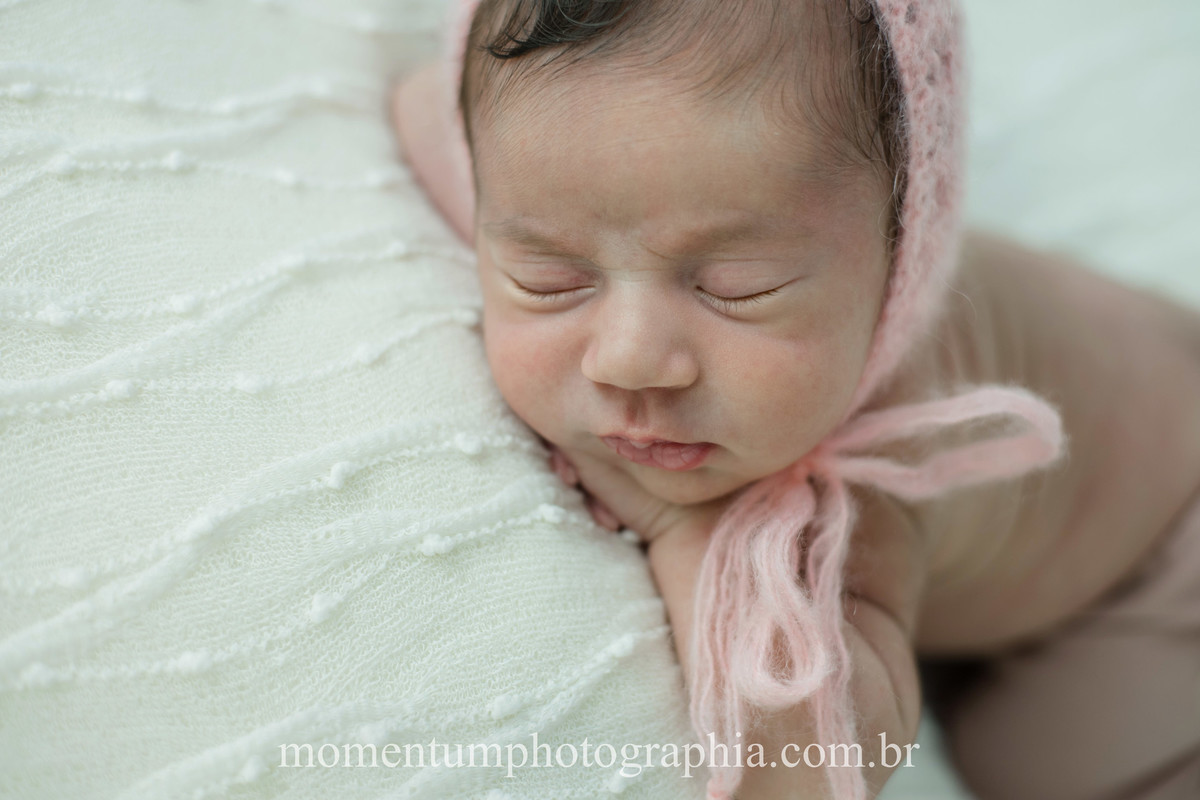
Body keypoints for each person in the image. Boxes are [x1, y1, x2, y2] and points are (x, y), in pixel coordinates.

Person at [392, 1, 1200, 797]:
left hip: (1156, 558)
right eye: (550, 279)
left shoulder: (870, 467)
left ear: (900, 252)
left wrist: (683, 524)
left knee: (1032, 754)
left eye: (737, 288)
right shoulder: (570, 165)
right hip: (1113, 366)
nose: (630, 360)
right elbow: (430, 111)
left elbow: (812, 768)